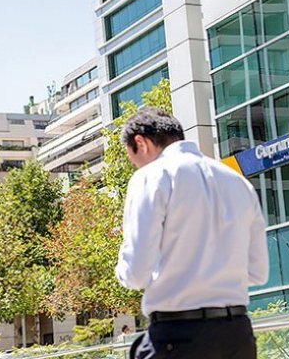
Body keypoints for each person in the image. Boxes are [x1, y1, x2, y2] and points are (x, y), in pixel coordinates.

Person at [115, 107, 269, 359]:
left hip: (178, 337)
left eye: (132, 159)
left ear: (140, 143)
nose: (136, 166)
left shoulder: (151, 177)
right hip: (237, 337)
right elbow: (257, 273)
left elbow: (136, 273)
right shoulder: (238, 181)